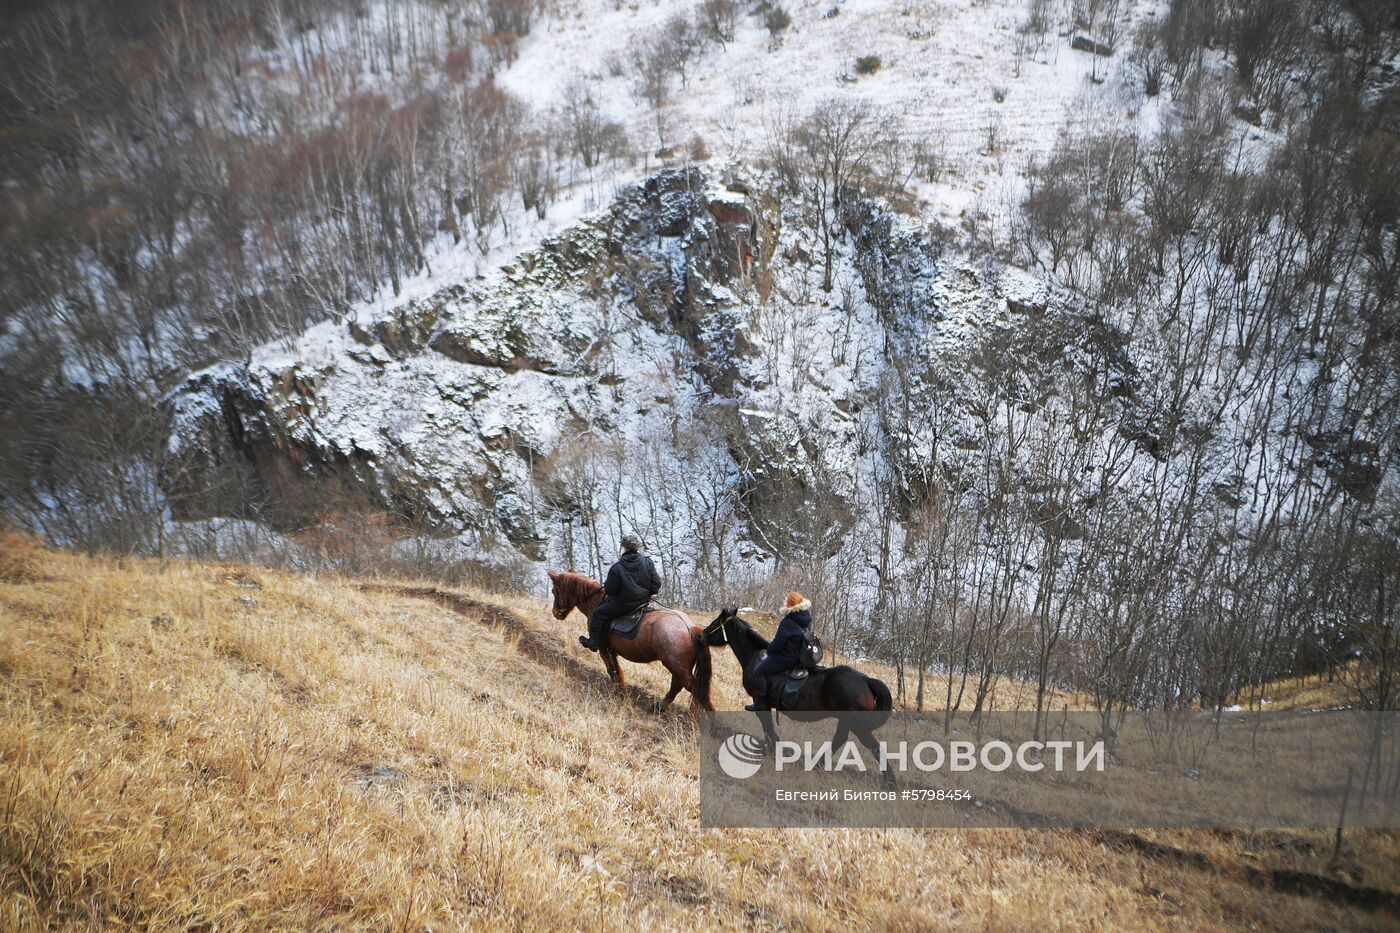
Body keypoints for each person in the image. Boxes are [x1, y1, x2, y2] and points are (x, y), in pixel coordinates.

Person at [579, 534, 661, 652]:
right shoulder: (648, 562)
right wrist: (651, 593)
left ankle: (594, 642)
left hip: (624, 605)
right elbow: (656, 583)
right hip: (644, 602)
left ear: (624, 548)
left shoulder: (617, 568)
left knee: (598, 613)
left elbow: (609, 590)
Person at [747, 591, 812, 711]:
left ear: (791, 604)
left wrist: (769, 649)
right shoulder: (806, 617)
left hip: (787, 659)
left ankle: (759, 704)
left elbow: (776, 646)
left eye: (786, 600)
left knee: (758, 671)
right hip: (801, 657)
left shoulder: (787, 623)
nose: (783, 601)